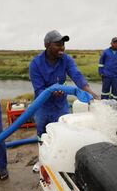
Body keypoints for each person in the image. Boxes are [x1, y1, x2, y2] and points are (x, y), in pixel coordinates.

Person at [29, 30, 98, 172]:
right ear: (47, 45)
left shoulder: (66, 60)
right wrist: (51, 92)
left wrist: (90, 92)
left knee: (63, 130)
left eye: (63, 44)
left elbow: (76, 76)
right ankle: (42, 160)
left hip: (61, 103)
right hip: (43, 105)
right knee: (42, 133)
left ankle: (60, 161)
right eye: (58, 44)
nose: (62, 47)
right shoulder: (35, 63)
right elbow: (39, 89)